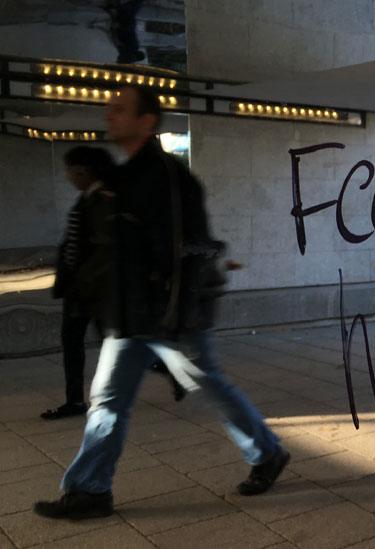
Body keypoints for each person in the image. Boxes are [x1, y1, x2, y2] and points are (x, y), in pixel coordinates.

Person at [34, 85, 289, 520]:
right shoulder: (122, 177)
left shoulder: (168, 178)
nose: (108, 116)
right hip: (129, 319)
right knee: (107, 402)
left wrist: (172, 318)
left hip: (171, 318)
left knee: (210, 385)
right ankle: (90, 491)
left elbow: (182, 252)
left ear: (146, 121)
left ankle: (267, 453)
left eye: (119, 110)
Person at [43, 146, 185, 421]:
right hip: (81, 290)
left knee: (124, 344)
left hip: (95, 291)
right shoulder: (88, 198)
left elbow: (109, 250)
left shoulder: (106, 200)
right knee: (74, 342)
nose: (68, 176)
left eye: (70, 170)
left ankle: (170, 369)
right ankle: (74, 400)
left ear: (83, 170)